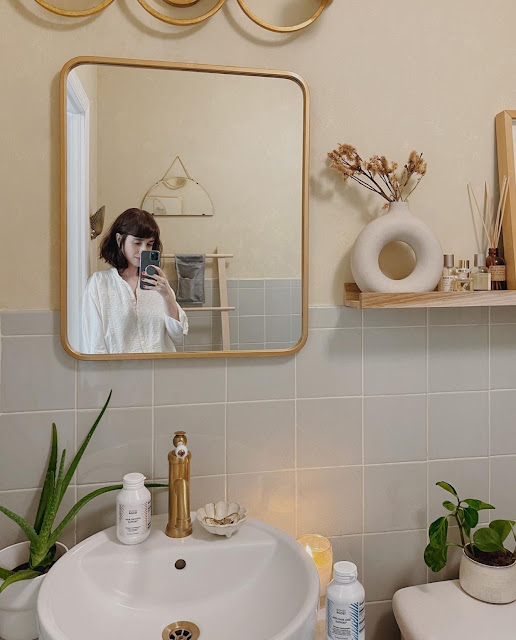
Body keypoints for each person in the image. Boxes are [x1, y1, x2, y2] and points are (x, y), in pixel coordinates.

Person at [82, 208, 188, 354]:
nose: (144, 250)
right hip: (119, 374)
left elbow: (178, 336)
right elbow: (95, 345)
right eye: (137, 243)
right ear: (119, 240)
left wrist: (167, 296)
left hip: (161, 372)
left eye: (149, 244)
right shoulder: (99, 284)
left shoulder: (159, 284)